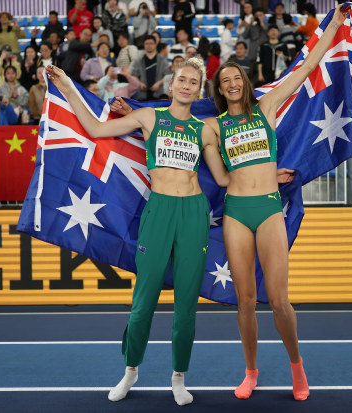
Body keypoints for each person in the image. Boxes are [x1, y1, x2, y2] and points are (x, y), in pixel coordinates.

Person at [45, 58, 229, 406]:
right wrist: (68, 86)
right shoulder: (149, 118)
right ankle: (131, 370)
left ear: (199, 90)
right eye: (182, 80)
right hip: (158, 210)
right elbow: (96, 130)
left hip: (193, 213)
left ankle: (179, 376)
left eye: (194, 82)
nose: (187, 86)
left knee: (186, 304)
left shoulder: (205, 129)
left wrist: (265, 179)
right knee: (143, 302)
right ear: (171, 85)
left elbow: (221, 178)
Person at [202, 3, 350, 402]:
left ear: (245, 83)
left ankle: (296, 368)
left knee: (280, 301)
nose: (231, 83)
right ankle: (250, 372)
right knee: (246, 301)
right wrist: (135, 113)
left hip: (269, 210)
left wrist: (333, 24)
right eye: (225, 80)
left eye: (236, 77)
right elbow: (214, 172)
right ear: (218, 89)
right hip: (235, 213)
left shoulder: (265, 108)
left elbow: (302, 72)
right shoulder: (213, 127)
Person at [132, 35, 171, 100]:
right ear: (144, 45)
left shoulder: (162, 59)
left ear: (155, 45)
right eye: (146, 43)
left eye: (151, 43)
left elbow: (168, 75)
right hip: (143, 95)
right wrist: (140, 83)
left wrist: (158, 84)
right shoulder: (139, 60)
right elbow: (134, 75)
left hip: (159, 95)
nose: (149, 45)